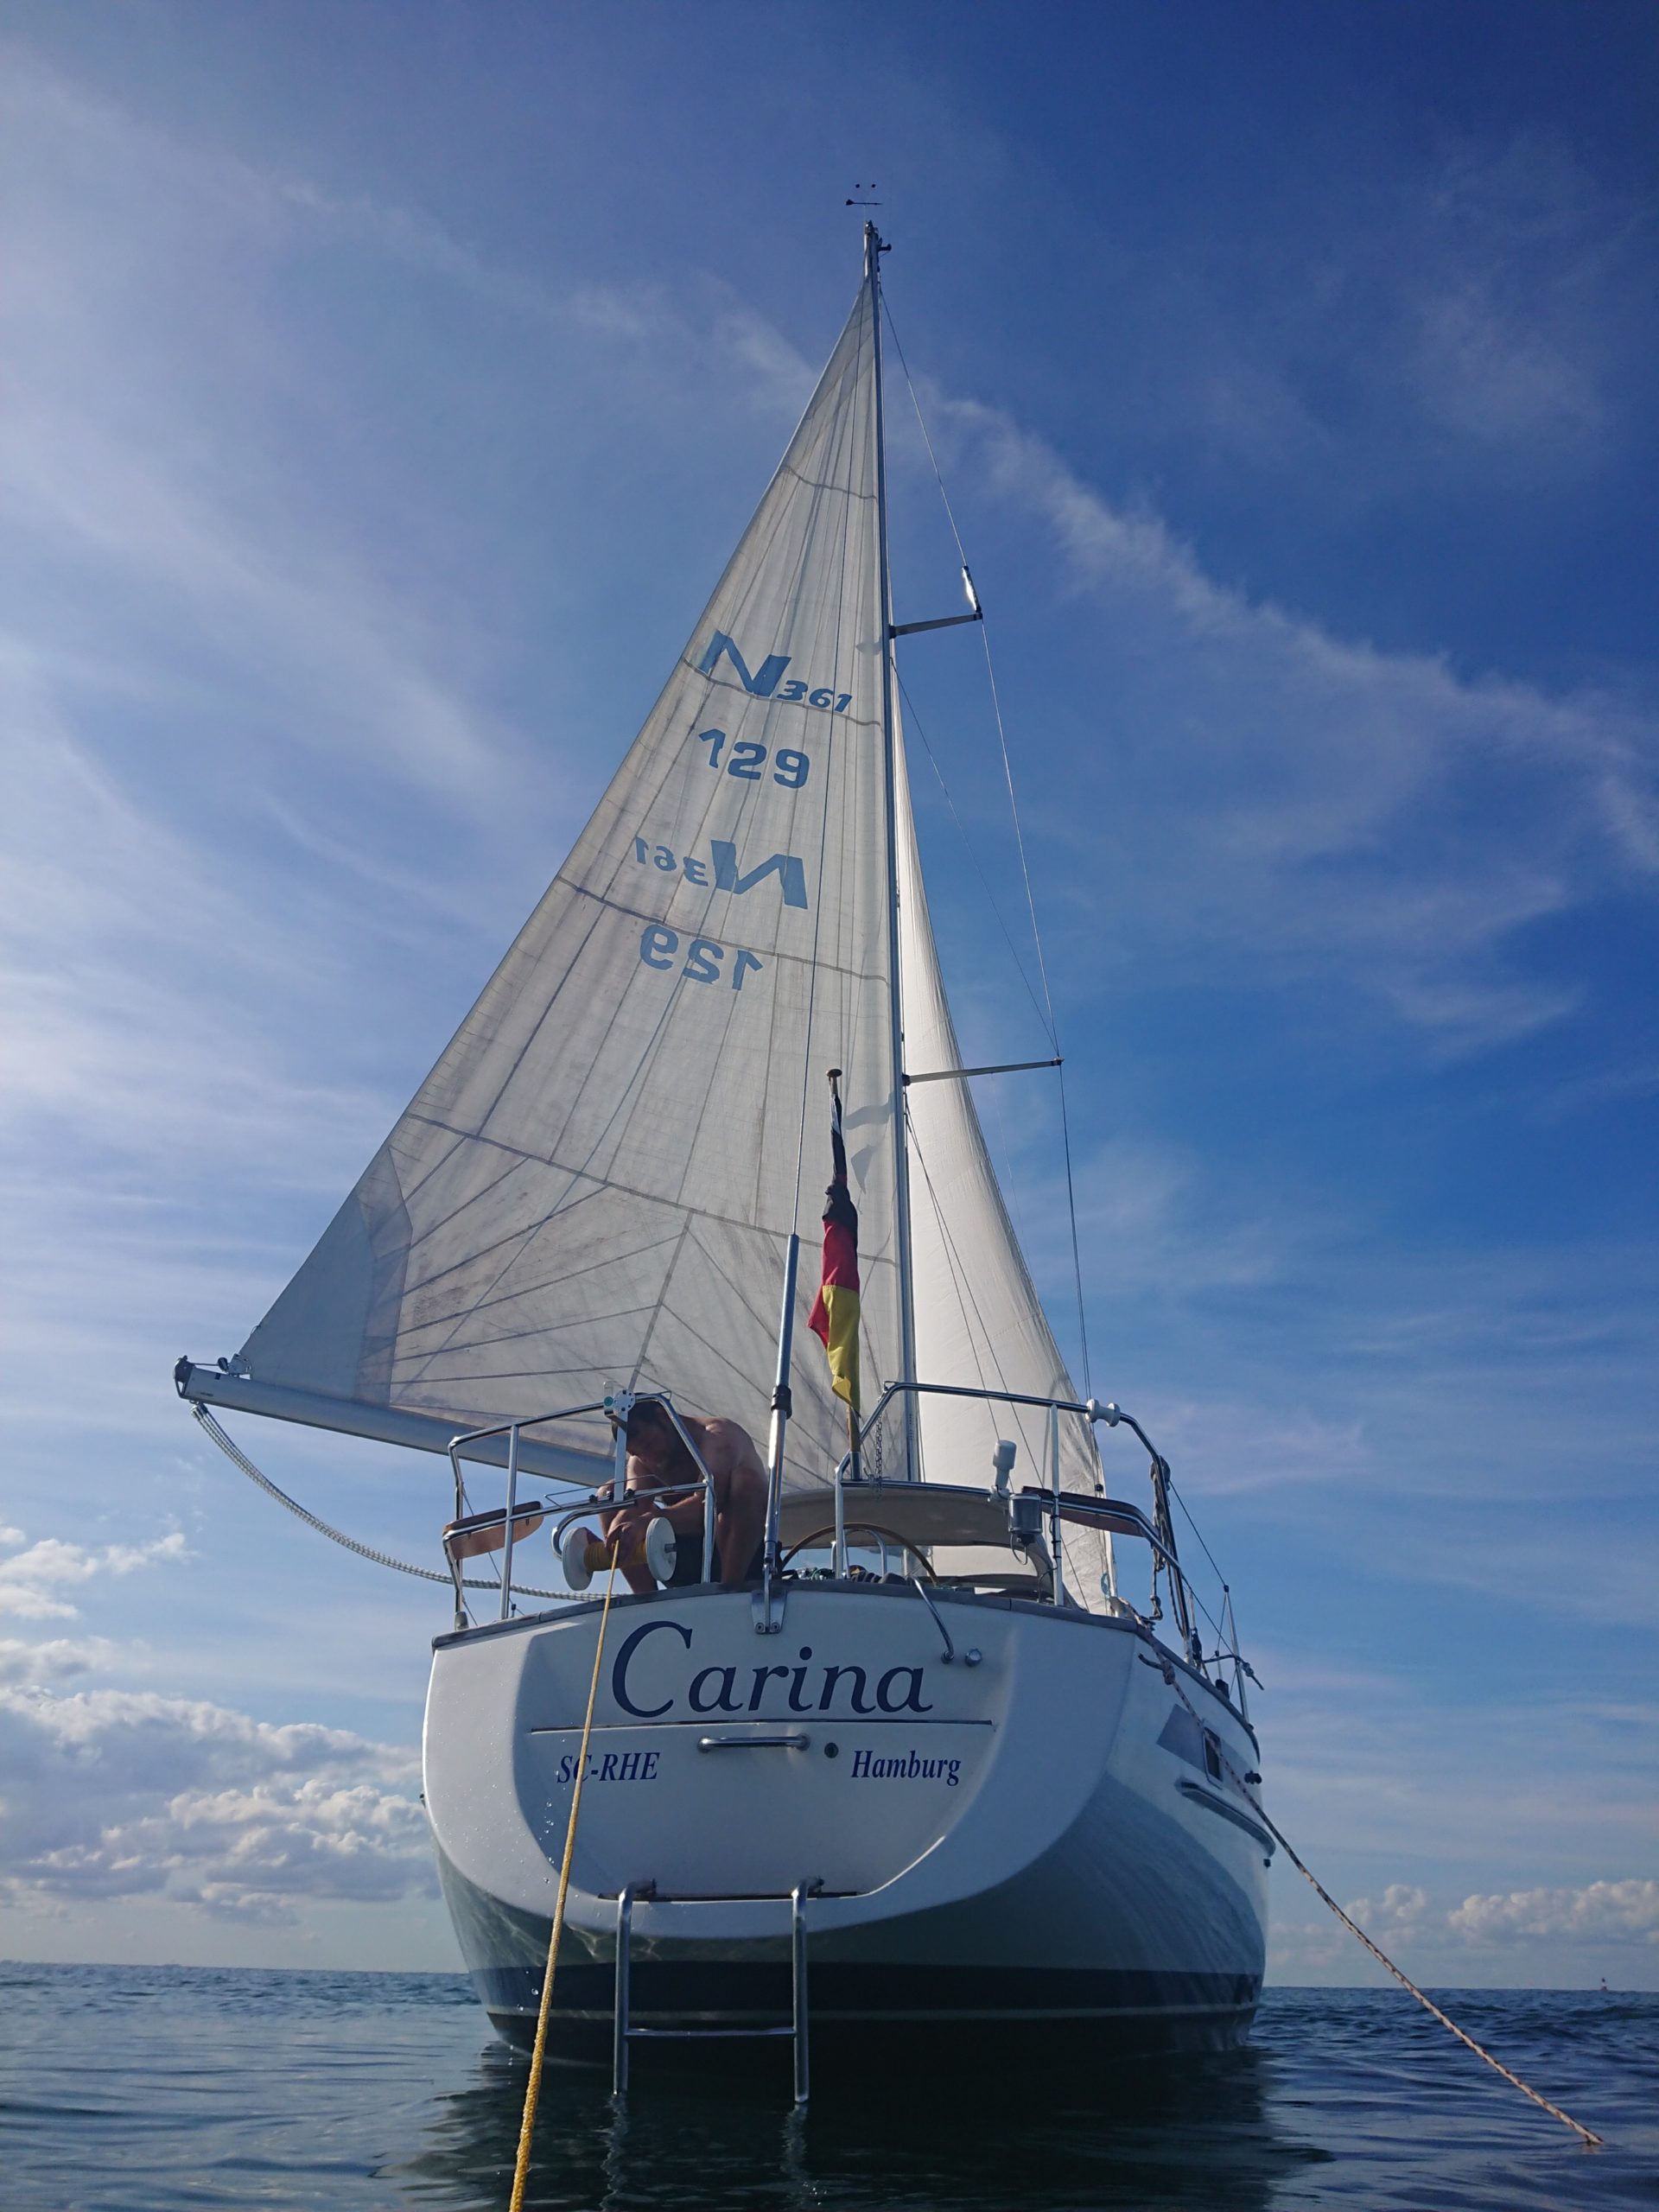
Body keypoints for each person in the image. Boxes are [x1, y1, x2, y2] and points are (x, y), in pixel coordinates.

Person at [598, 1400, 767, 1596]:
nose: (649, 1458)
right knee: (609, 1493)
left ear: (664, 1417)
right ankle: (646, 1600)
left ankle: (727, 1591)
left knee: (746, 1481)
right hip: (676, 1558)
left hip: (737, 1556)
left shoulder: (718, 1437)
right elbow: (632, 1507)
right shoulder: (642, 1461)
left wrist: (648, 1521)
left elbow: (709, 1506)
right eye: (639, 1454)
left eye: (648, 1445)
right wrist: (615, 1533)